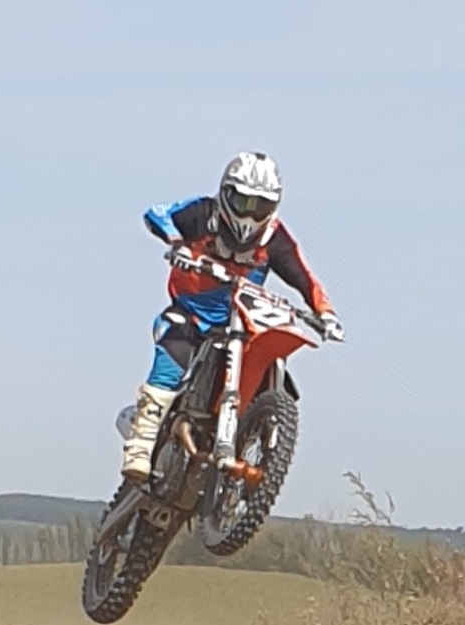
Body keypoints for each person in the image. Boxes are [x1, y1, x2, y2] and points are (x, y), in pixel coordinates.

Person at [120, 151, 343, 481]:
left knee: (267, 356)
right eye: (243, 202)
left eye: (260, 206)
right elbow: (159, 214)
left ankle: (251, 438)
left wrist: (325, 313)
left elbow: (303, 277)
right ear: (226, 193)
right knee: (173, 348)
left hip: (241, 319)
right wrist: (178, 242)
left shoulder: (274, 238)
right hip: (192, 313)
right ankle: (141, 443)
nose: (250, 214)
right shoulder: (203, 214)